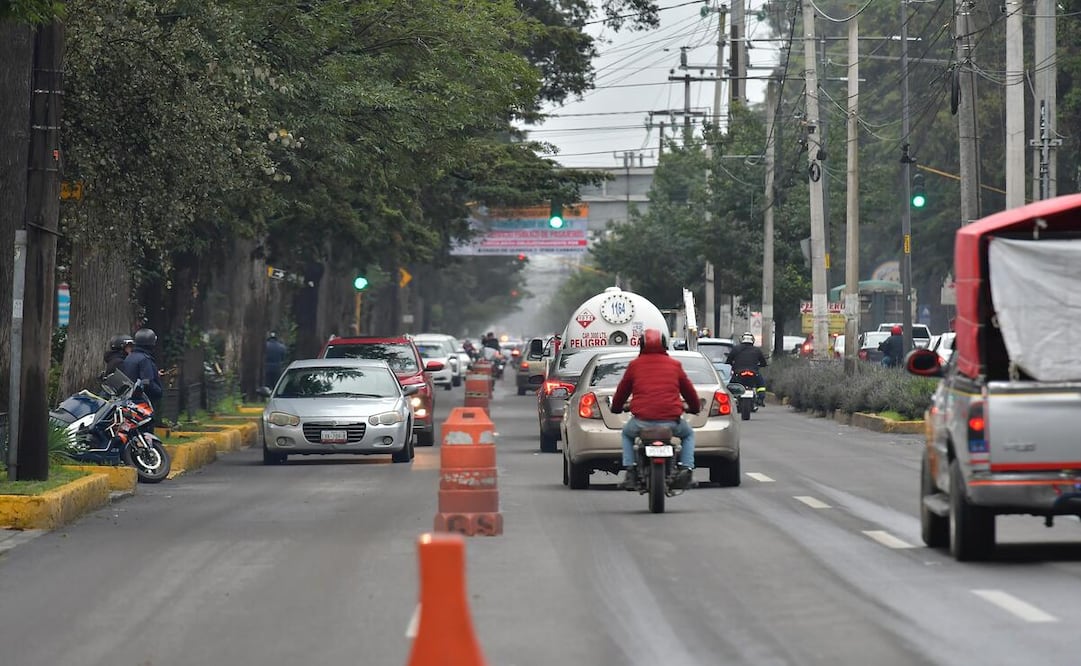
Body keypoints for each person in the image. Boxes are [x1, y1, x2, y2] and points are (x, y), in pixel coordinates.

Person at [609, 328, 701, 491]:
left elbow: (622, 391)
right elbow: (689, 392)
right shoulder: (674, 365)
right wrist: (694, 408)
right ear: (665, 345)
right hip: (671, 422)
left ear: (641, 345)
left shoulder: (635, 365)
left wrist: (616, 408)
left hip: (641, 422)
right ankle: (686, 470)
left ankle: (630, 471)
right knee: (688, 434)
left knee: (627, 434)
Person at [120, 328, 164, 404]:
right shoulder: (144, 359)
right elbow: (147, 382)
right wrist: (159, 392)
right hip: (142, 401)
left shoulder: (130, 357)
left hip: (129, 400)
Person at [725, 332, 768, 406]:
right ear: (752, 340)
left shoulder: (735, 349)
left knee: (731, 386)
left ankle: (729, 401)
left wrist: (733, 364)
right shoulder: (757, 350)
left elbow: (728, 361)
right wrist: (761, 365)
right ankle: (760, 399)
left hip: (738, 373)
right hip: (753, 373)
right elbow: (763, 363)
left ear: (742, 339)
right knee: (761, 384)